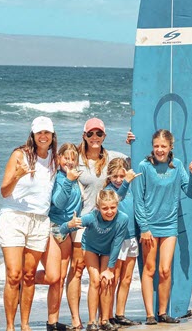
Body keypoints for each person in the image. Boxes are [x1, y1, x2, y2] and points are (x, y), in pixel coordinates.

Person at [0, 116, 58, 331]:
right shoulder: (20, 155)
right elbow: (4, 192)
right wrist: (17, 176)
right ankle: (10, 326)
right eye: (39, 132)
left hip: (40, 221)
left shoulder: (54, 159)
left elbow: (88, 150)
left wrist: (129, 141)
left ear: (52, 136)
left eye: (47, 133)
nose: (43, 136)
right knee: (14, 274)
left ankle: (25, 325)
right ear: (33, 135)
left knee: (29, 275)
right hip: (14, 217)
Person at [66, 118, 129, 330]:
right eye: (90, 134)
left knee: (103, 275)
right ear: (84, 135)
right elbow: (59, 168)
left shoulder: (113, 156)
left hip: (107, 223)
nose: (95, 138)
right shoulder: (77, 159)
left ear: (104, 136)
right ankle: (76, 318)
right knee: (77, 270)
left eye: (99, 134)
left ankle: (104, 318)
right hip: (83, 222)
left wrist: (132, 142)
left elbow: (133, 164)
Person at [133, 129, 192, 325]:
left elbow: (190, 192)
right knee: (150, 268)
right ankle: (150, 315)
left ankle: (163, 313)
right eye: (156, 146)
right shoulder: (144, 166)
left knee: (165, 270)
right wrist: (144, 227)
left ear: (171, 147)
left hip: (170, 225)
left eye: (163, 146)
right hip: (149, 225)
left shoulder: (177, 166)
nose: (159, 150)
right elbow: (138, 200)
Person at [60, 189, 128, 331]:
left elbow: (117, 244)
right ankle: (92, 322)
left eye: (112, 207)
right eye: (105, 208)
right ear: (98, 207)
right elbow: (62, 229)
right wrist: (69, 225)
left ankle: (104, 320)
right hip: (90, 247)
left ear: (117, 205)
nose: (109, 211)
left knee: (106, 280)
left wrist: (109, 269)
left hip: (108, 249)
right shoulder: (90, 217)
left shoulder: (123, 219)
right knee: (95, 280)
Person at [35, 143, 82, 331]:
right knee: (54, 277)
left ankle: (52, 322)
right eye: (66, 157)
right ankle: (26, 278)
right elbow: (58, 203)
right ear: (58, 158)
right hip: (55, 228)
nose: (69, 161)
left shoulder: (74, 176)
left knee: (61, 279)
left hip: (69, 229)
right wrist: (69, 181)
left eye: (73, 158)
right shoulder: (59, 177)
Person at [104, 158, 142, 327]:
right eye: (115, 176)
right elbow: (115, 200)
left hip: (132, 237)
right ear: (109, 176)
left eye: (121, 175)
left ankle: (120, 314)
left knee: (126, 278)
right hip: (116, 240)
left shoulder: (131, 188)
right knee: (114, 278)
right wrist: (126, 182)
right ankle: (108, 315)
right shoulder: (109, 191)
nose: (118, 179)